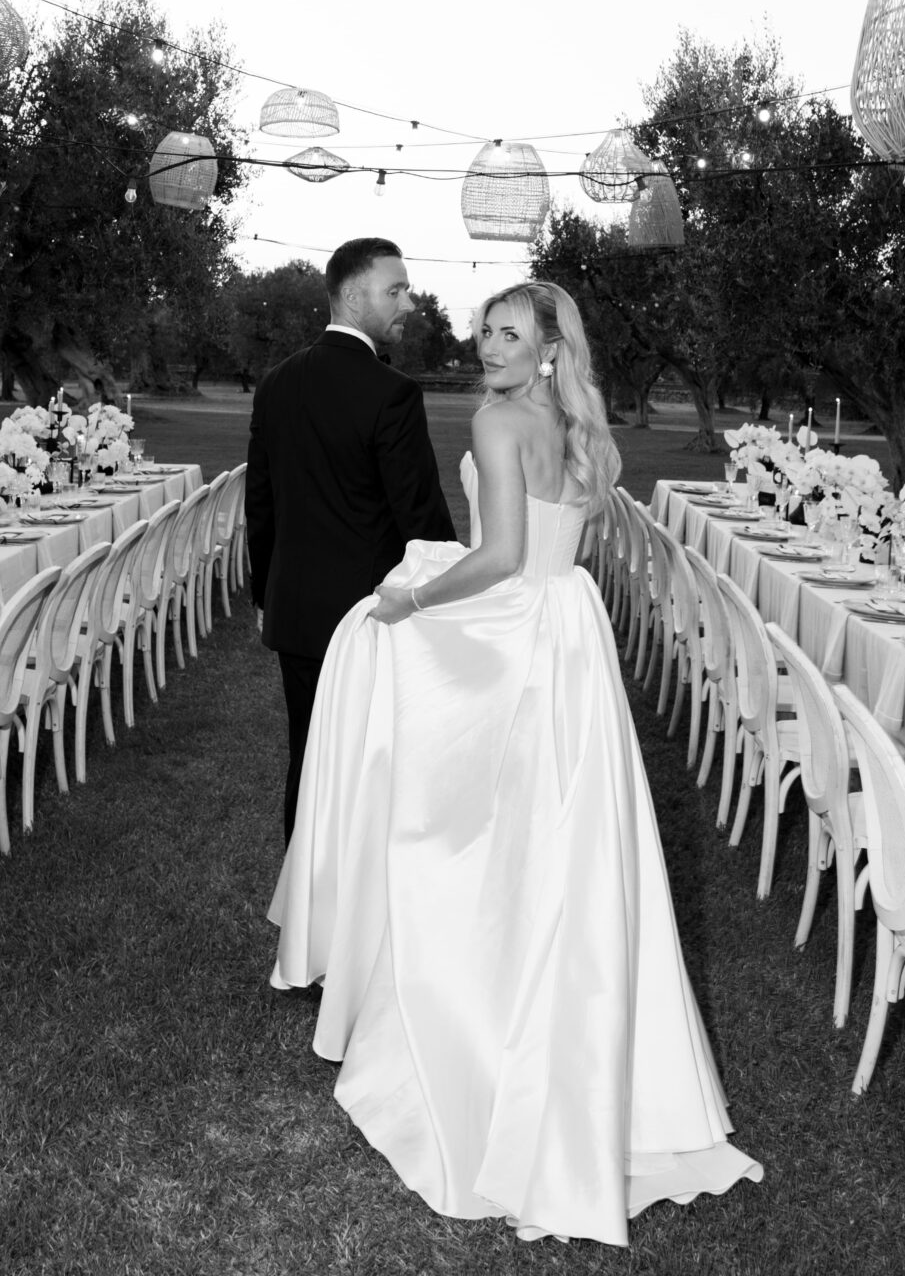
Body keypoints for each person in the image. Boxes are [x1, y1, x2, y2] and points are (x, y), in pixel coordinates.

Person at [268, 280, 762, 1246]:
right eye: (484, 330)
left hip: (523, 631)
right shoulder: (583, 431)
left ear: (548, 350)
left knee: (463, 822)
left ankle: (476, 1025)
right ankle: (581, 1049)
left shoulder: (498, 423)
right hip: (572, 627)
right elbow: (559, 550)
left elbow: (497, 559)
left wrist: (410, 602)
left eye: (508, 334)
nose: (487, 346)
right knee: (567, 842)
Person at [245, 236, 456, 844]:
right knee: (368, 765)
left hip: (295, 611)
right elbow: (422, 519)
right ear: (353, 296)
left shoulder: (275, 383)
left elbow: (261, 505)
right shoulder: (392, 392)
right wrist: (446, 596)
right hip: (370, 618)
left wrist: (264, 594)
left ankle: (305, 891)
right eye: (396, 290)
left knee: (308, 758)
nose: (409, 303)